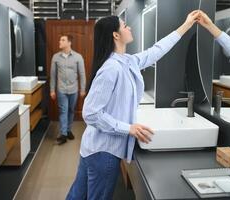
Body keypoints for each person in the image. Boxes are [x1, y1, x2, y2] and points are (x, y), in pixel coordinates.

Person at [66, 10, 200, 200]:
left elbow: (157, 50)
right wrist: (128, 128)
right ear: (115, 34)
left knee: (76, 197)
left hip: (95, 149)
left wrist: (186, 25)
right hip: (103, 153)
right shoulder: (111, 68)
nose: (129, 27)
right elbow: (90, 113)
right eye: (124, 25)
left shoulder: (127, 61)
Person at [50, 35, 86, 145]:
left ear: (69, 43)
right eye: (60, 39)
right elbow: (53, 75)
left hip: (74, 89)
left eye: (62, 40)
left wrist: (82, 89)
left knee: (71, 110)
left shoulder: (78, 57)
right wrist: (52, 90)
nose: (59, 41)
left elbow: (82, 74)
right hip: (61, 89)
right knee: (63, 111)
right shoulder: (56, 57)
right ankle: (63, 134)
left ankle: (68, 130)